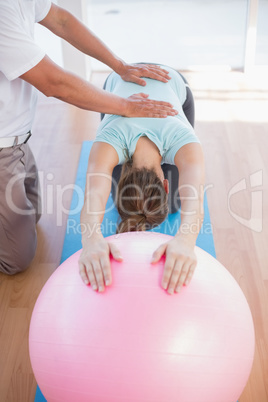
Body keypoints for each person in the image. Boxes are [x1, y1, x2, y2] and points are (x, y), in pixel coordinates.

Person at [0, 0, 178, 275]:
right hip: (4, 144)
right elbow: (53, 82)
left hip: (19, 139)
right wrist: (125, 106)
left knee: (32, 216)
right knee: (17, 260)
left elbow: (61, 20)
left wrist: (120, 66)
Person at [79, 64, 205, 295]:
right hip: (119, 84)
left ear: (166, 186)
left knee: (174, 205)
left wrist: (187, 241)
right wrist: (90, 240)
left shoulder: (183, 139)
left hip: (169, 82)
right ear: (166, 185)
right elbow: (94, 195)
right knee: (161, 205)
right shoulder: (109, 138)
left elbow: (95, 195)